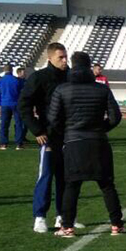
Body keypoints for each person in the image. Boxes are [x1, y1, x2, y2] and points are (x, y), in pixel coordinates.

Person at [47, 51, 126, 238]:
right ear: (90, 66)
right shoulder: (102, 89)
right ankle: (117, 225)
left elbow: (53, 118)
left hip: (74, 142)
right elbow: (116, 117)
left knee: (72, 186)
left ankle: (67, 227)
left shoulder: (62, 89)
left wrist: (67, 132)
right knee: (107, 185)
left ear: (73, 66)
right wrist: (100, 129)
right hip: (98, 142)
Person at [20, 42, 81, 233]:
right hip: (49, 136)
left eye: (65, 57)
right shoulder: (39, 78)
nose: (64, 61)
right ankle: (39, 217)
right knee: (46, 176)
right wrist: (37, 130)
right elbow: (24, 106)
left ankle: (63, 216)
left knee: (67, 178)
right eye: (60, 57)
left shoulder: (72, 77)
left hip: (70, 134)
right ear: (50, 58)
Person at [0, 64, 25, 150]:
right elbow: (21, 92)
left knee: (4, 124)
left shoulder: (0, 80)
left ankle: (3, 143)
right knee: (18, 123)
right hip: (15, 103)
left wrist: (0, 102)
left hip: (5, 104)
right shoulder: (16, 80)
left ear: (4, 70)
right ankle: (19, 144)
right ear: (12, 70)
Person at [15, 67, 28, 148]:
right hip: (19, 104)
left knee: (25, 121)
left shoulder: (26, 81)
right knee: (19, 122)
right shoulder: (17, 81)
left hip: (25, 103)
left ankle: (23, 137)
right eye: (23, 72)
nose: (25, 74)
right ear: (19, 73)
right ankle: (19, 138)